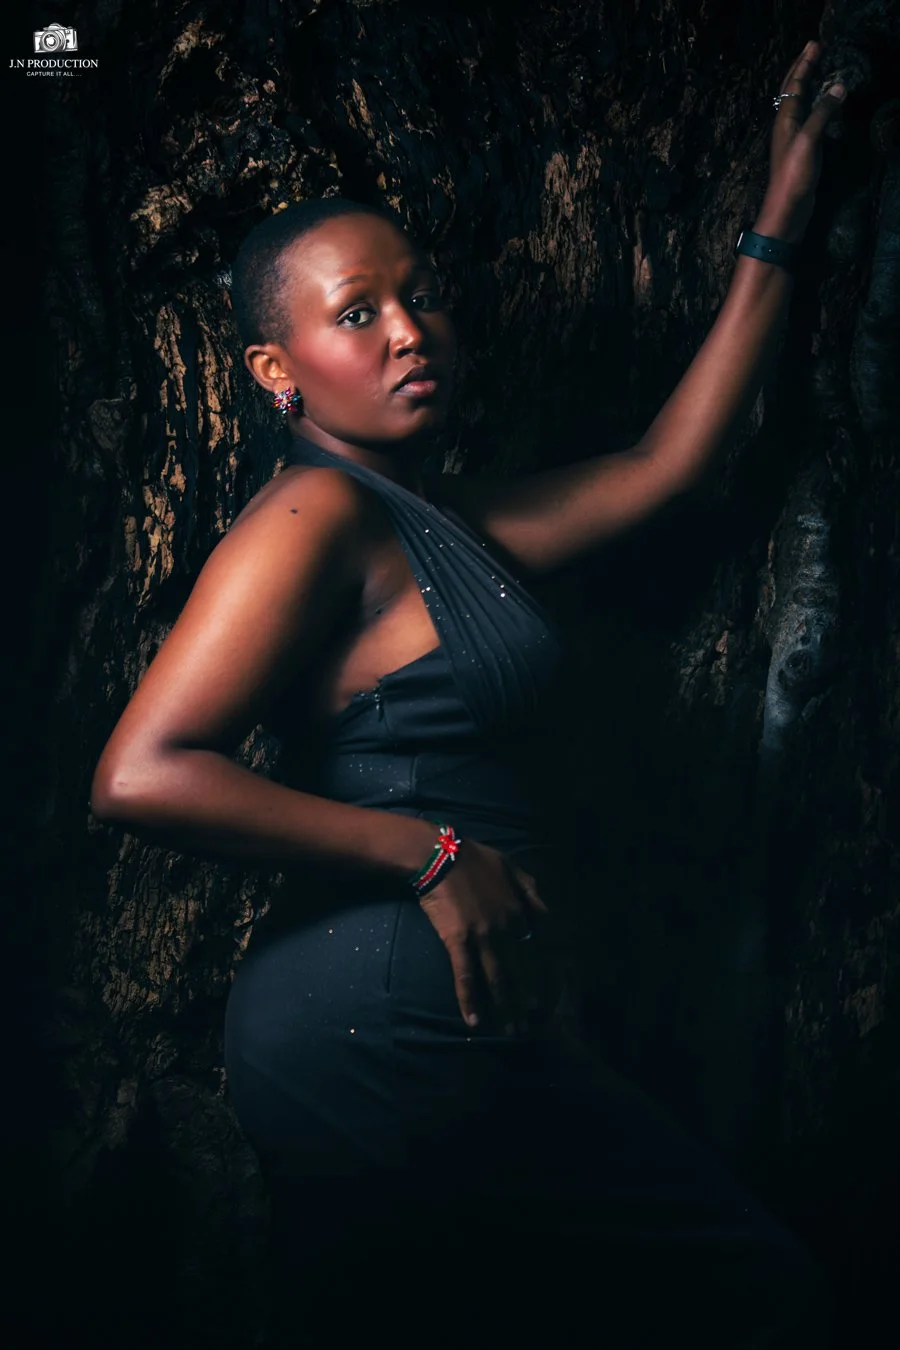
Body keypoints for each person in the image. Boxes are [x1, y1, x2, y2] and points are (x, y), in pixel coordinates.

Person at [91, 40, 844, 1348]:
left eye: (418, 297)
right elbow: (142, 771)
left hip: (444, 1003)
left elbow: (671, 464)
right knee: (760, 1297)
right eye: (356, 314)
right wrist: (431, 852)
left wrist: (784, 208)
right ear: (278, 372)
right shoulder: (313, 515)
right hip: (376, 1009)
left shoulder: (430, 521)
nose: (407, 332)